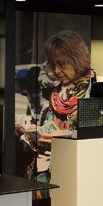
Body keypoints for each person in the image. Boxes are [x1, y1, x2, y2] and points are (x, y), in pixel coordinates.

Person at [35, 30, 92, 197]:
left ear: (77, 59)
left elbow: (101, 135)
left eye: (62, 64)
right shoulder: (56, 93)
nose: (56, 71)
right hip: (49, 172)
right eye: (53, 65)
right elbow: (50, 127)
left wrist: (66, 136)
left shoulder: (94, 91)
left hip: (78, 173)